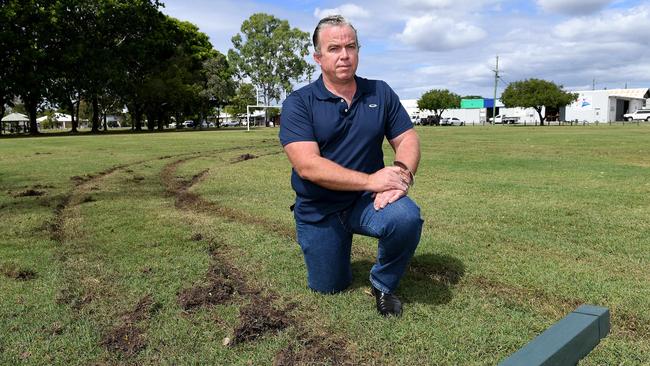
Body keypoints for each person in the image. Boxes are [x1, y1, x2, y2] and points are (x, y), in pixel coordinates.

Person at [279, 15, 423, 317]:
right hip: (320, 207)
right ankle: (331, 253)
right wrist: (372, 180)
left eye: (351, 46)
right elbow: (308, 166)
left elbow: (407, 137)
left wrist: (402, 175)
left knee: (406, 217)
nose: (344, 55)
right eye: (333, 48)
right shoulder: (299, 103)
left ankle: (383, 284)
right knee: (329, 286)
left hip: (366, 202)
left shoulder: (380, 92)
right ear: (318, 57)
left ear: (358, 50)